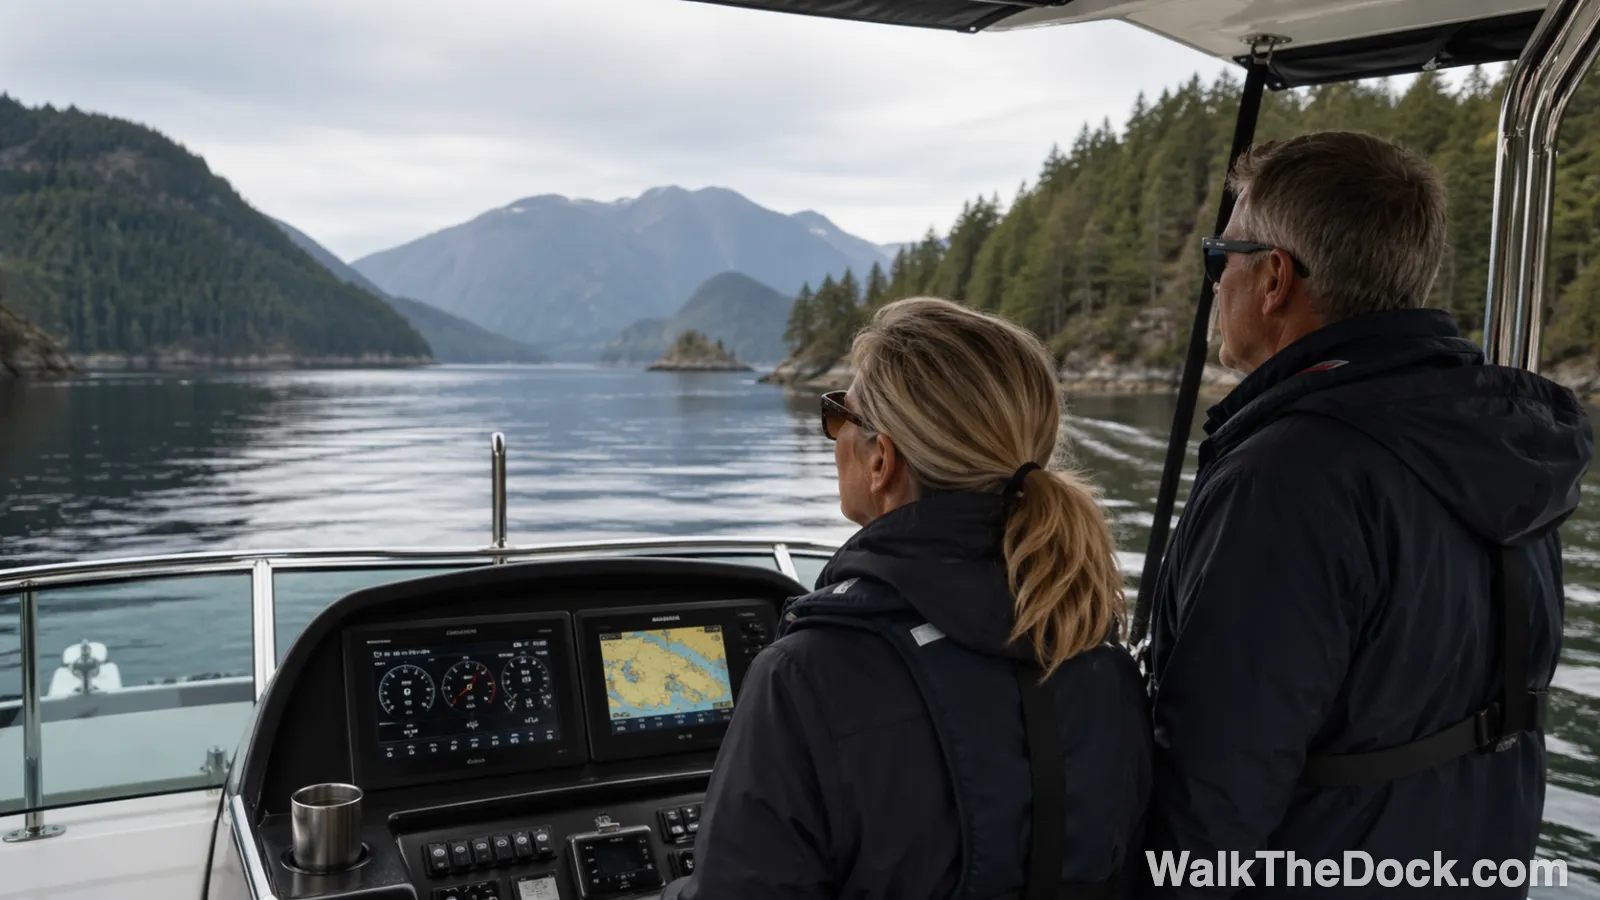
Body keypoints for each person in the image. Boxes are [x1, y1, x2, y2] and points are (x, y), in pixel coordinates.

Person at [1141, 131, 1593, 897]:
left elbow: (1213, 794)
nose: (1215, 284)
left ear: (1275, 278)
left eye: (1223, 259)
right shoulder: (1499, 437)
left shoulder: (1283, 477)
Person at [664, 297, 1151, 900]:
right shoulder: (1100, 657)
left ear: (881, 459)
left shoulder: (805, 679)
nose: (834, 433)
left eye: (838, 413)